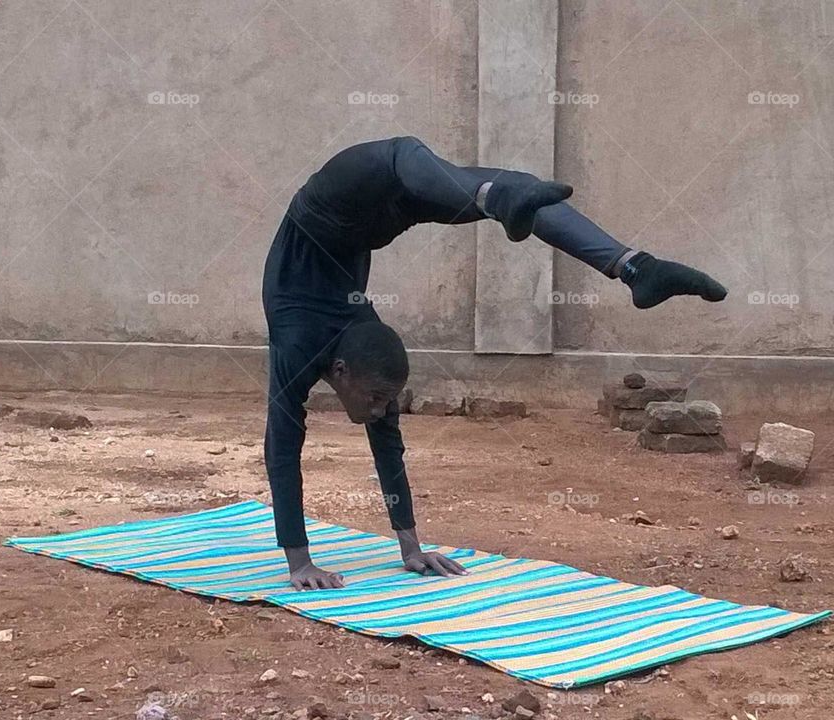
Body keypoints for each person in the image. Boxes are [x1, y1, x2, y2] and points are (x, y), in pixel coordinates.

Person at [262, 136, 727, 590]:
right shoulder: (302, 343)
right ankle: (503, 201)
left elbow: (387, 447)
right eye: (379, 400)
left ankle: (634, 267)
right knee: (473, 181)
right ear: (340, 372)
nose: (383, 411)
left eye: (383, 401)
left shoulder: (348, 347)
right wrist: (300, 562)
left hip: (358, 207)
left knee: (515, 192)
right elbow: (282, 449)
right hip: (343, 203)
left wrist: (410, 549)